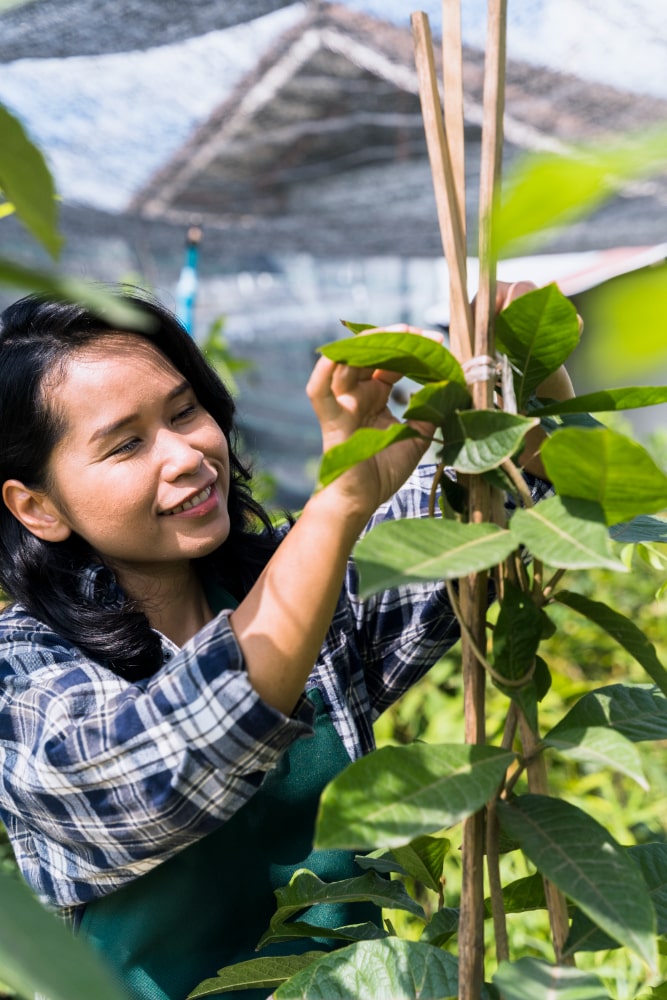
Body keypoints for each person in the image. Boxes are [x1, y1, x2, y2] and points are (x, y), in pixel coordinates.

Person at [0, 284, 569, 1000]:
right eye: (126, 444)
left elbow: (510, 499)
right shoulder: (21, 672)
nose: (186, 455)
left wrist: (520, 351)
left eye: (185, 412)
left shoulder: (299, 581)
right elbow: (162, 769)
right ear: (37, 506)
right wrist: (338, 504)